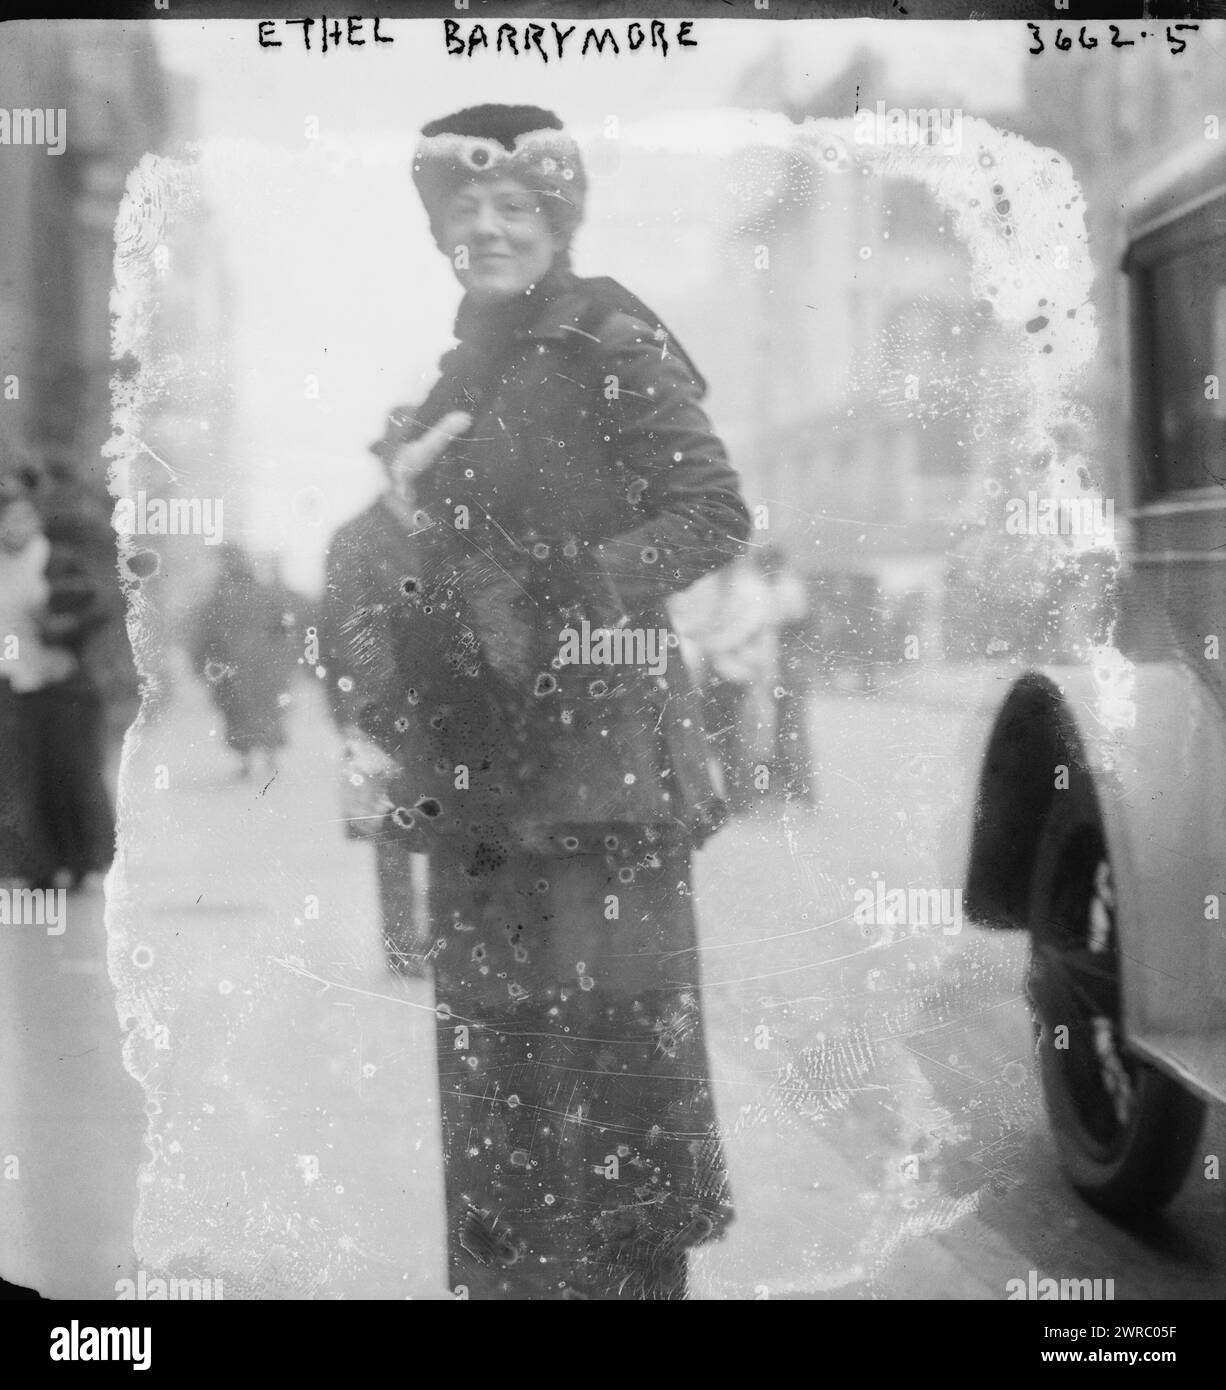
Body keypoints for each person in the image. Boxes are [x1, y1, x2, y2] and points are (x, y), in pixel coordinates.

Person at [357, 104, 750, 1299]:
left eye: (512, 208)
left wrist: (567, 591)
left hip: (601, 777)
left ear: (558, 218)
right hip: (481, 775)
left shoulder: (608, 335)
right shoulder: (459, 367)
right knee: (496, 1074)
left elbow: (712, 511)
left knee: (617, 1069)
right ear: (436, 228)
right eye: (461, 211)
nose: (484, 229)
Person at [321, 408, 436, 977]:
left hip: (455, 708)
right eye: (402, 460)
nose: (413, 473)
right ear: (388, 466)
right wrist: (367, 708)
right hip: (384, 709)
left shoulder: (459, 531)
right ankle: (401, 945)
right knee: (393, 826)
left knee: (455, 822)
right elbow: (344, 631)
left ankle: (446, 939)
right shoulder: (355, 539)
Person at [191, 545, 296, 779]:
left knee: (251, 710)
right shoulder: (229, 594)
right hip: (247, 664)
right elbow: (206, 633)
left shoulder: (236, 593)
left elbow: (282, 624)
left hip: (250, 664)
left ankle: (258, 757)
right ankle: (256, 756)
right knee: (247, 710)